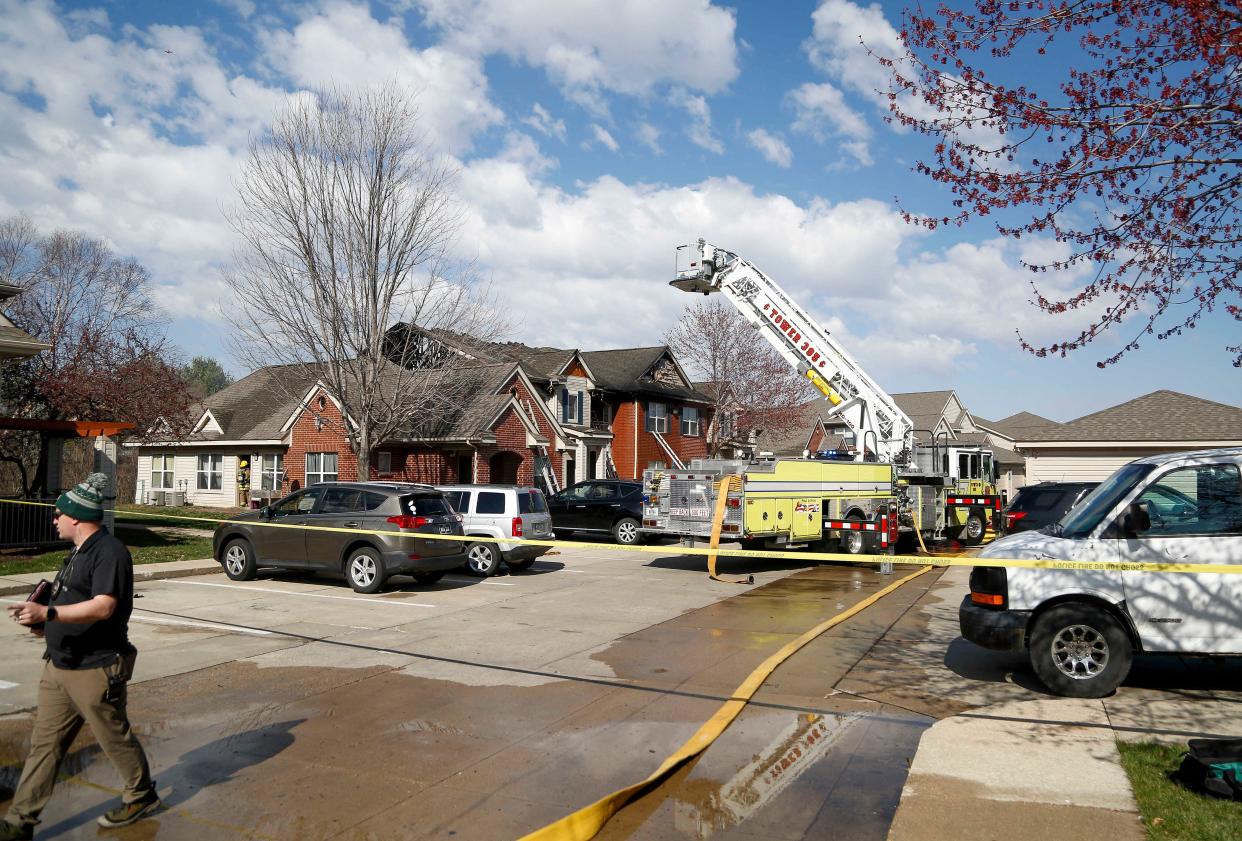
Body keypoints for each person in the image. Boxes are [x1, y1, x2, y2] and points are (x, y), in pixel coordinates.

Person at [2, 473, 159, 840]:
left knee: (113, 738)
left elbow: (103, 606)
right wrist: (43, 625)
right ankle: (19, 822)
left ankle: (140, 793)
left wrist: (50, 615)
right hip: (59, 664)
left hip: (97, 666)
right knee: (45, 745)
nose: (54, 520)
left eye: (58, 514)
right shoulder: (77, 553)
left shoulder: (110, 553)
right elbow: (70, 600)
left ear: (76, 517)